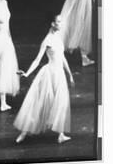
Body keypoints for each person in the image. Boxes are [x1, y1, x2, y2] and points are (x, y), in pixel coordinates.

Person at [14, 14, 74, 144]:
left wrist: (69, 74)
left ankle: (61, 134)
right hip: (49, 74)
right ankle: (24, 132)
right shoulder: (47, 40)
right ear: (53, 24)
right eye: (59, 22)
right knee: (39, 103)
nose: (61, 24)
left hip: (59, 74)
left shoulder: (58, 37)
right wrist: (27, 74)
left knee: (61, 103)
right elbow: (37, 59)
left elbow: (62, 57)